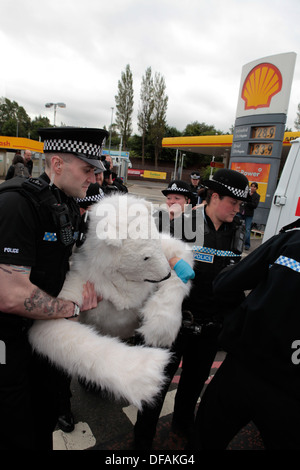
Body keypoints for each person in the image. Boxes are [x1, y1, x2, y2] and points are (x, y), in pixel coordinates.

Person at [0, 126, 107, 450]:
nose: (93, 177)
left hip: (43, 337)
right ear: (58, 164)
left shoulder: (67, 205)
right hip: (10, 341)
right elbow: (10, 295)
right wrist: (71, 309)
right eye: (87, 169)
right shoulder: (17, 204)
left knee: (44, 417)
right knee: (15, 429)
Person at [133, 169, 249, 450]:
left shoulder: (237, 231)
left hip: (211, 326)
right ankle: (141, 441)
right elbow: (150, 257)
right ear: (215, 196)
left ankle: (182, 428)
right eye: (232, 202)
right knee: (155, 386)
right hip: (175, 324)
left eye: (240, 204)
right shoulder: (183, 223)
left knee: (193, 386)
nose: (237, 209)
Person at [190, 217, 300, 450]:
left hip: (245, 367)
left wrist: (236, 317)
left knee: (206, 440)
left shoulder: (291, 241)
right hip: (291, 390)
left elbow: (226, 283)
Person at [242, 181, 260, 250]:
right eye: (251, 186)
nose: (252, 187)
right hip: (241, 212)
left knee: (247, 229)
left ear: (256, 188)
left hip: (249, 214)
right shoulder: (246, 193)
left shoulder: (257, 196)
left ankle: (247, 244)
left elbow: (255, 205)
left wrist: (247, 203)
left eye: (254, 187)